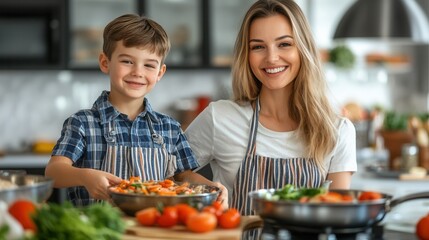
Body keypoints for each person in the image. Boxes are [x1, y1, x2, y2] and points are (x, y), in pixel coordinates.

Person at [185, 0, 356, 216]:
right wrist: (207, 189)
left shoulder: (337, 130)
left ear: (303, 49)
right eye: (258, 47)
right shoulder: (219, 117)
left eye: (284, 44)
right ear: (246, 56)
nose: (271, 57)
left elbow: (339, 216)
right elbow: (173, 171)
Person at [45, 14, 227, 207]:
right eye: (127, 61)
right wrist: (85, 176)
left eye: (149, 65)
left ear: (160, 73)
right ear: (105, 62)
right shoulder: (83, 123)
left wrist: (212, 188)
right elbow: (54, 171)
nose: (138, 72)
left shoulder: (170, 128)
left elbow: (184, 176)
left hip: (153, 231)